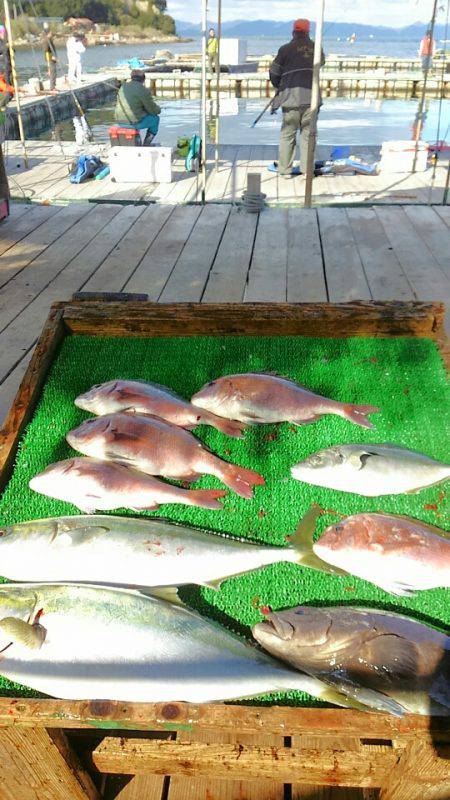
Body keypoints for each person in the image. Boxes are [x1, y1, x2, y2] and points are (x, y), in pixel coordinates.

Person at [269, 18, 325, 179]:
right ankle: (307, 171)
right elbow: (321, 62)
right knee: (308, 135)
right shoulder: (317, 47)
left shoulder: (285, 49)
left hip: (290, 99)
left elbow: (274, 72)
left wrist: (278, 84)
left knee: (288, 134)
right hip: (312, 99)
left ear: (294, 31)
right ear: (308, 32)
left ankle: (285, 171)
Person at [115, 70, 161, 146]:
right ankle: (146, 144)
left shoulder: (123, 87)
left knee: (138, 115)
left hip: (119, 122)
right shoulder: (143, 90)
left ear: (131, 78)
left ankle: (136, 141)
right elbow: (153, 110)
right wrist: (159, 109)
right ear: (143, 79)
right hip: (132, 123)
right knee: (155, 119)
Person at [43, 24, 58, 91]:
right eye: (51, 32)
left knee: (53, 72)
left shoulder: (49, 40)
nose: (52, 33)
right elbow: (46, 50)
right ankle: (52, 87)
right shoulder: (47, 40)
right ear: (48, 33)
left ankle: (53, 86)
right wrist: (52, 57)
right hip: (50, 58)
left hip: (52, 58)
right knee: (52, 72)